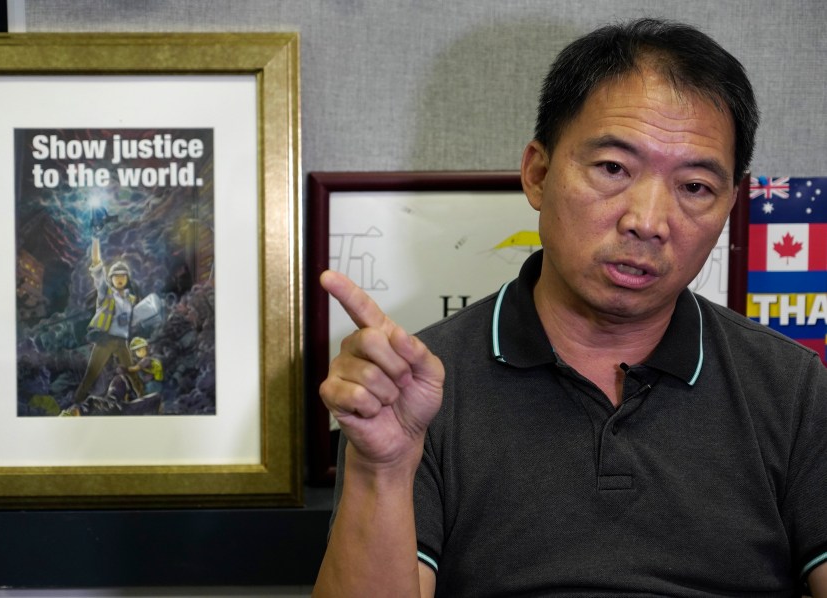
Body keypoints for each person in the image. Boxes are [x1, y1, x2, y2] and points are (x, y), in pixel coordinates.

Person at [312, 18, 827, 598]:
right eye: (613, 168)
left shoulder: (794, 389)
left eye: (695, 187)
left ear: (731, 204)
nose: (648, 221)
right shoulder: (422, 387)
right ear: (537, 173)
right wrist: (381, 467)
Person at [72, 236, 145, 404]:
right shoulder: (105, 292)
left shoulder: (130, 299)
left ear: (127, 279)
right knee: (91, 373)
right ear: (111, 279)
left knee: (132, 374)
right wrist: (95, 239)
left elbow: (134, 320)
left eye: (123, 276)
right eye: (116, 276)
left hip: (122, 342)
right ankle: (76, 403)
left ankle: (145, 400)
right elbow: (97, 265)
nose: (120, 279)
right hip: (105, 340)